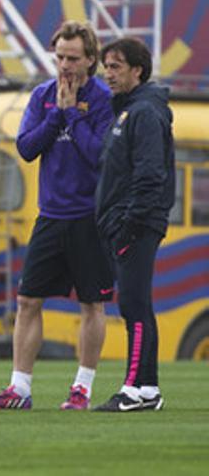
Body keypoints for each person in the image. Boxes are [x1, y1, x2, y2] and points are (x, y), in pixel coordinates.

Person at [0, 21, 115, 411]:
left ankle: (82, 389)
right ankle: (19, 388)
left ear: (90, 59)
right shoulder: (42, 96)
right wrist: (57, 115)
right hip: (51, 215)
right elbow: (25, 148)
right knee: (27, 300)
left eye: (73, 58)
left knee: (92, 304)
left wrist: (72, 115)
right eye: (59, 57)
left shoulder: (104, 99)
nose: (65, 65)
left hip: (90, 217)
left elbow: (100, 155)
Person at [93, 37, 174, 412]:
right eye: (106, 67)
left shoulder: (144, 113)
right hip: (126, 223)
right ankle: (147, 388)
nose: (108, 74)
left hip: (137, 225)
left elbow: (150, 174)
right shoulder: (128, 110)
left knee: (133, 304)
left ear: (137, 70)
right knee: (138, 304)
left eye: (116, 67)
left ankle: (133, 388)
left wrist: (129, 225)